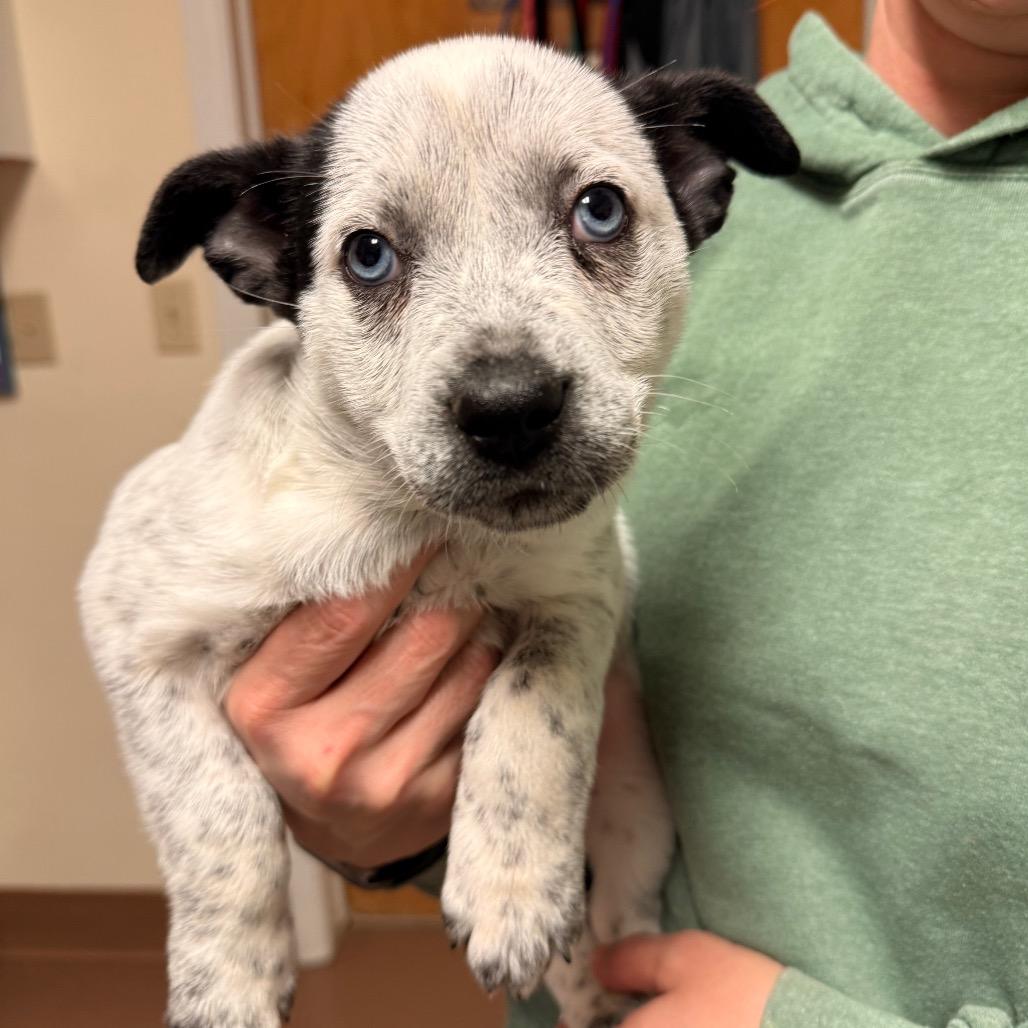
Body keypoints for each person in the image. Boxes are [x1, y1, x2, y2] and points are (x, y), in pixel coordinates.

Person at [224, 1, 1028, 1024]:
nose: (506, 384)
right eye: (377, 258)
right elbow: (525, 801)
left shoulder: (658, 168)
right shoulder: (652, 151)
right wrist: (402, 824)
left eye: (596, 216)